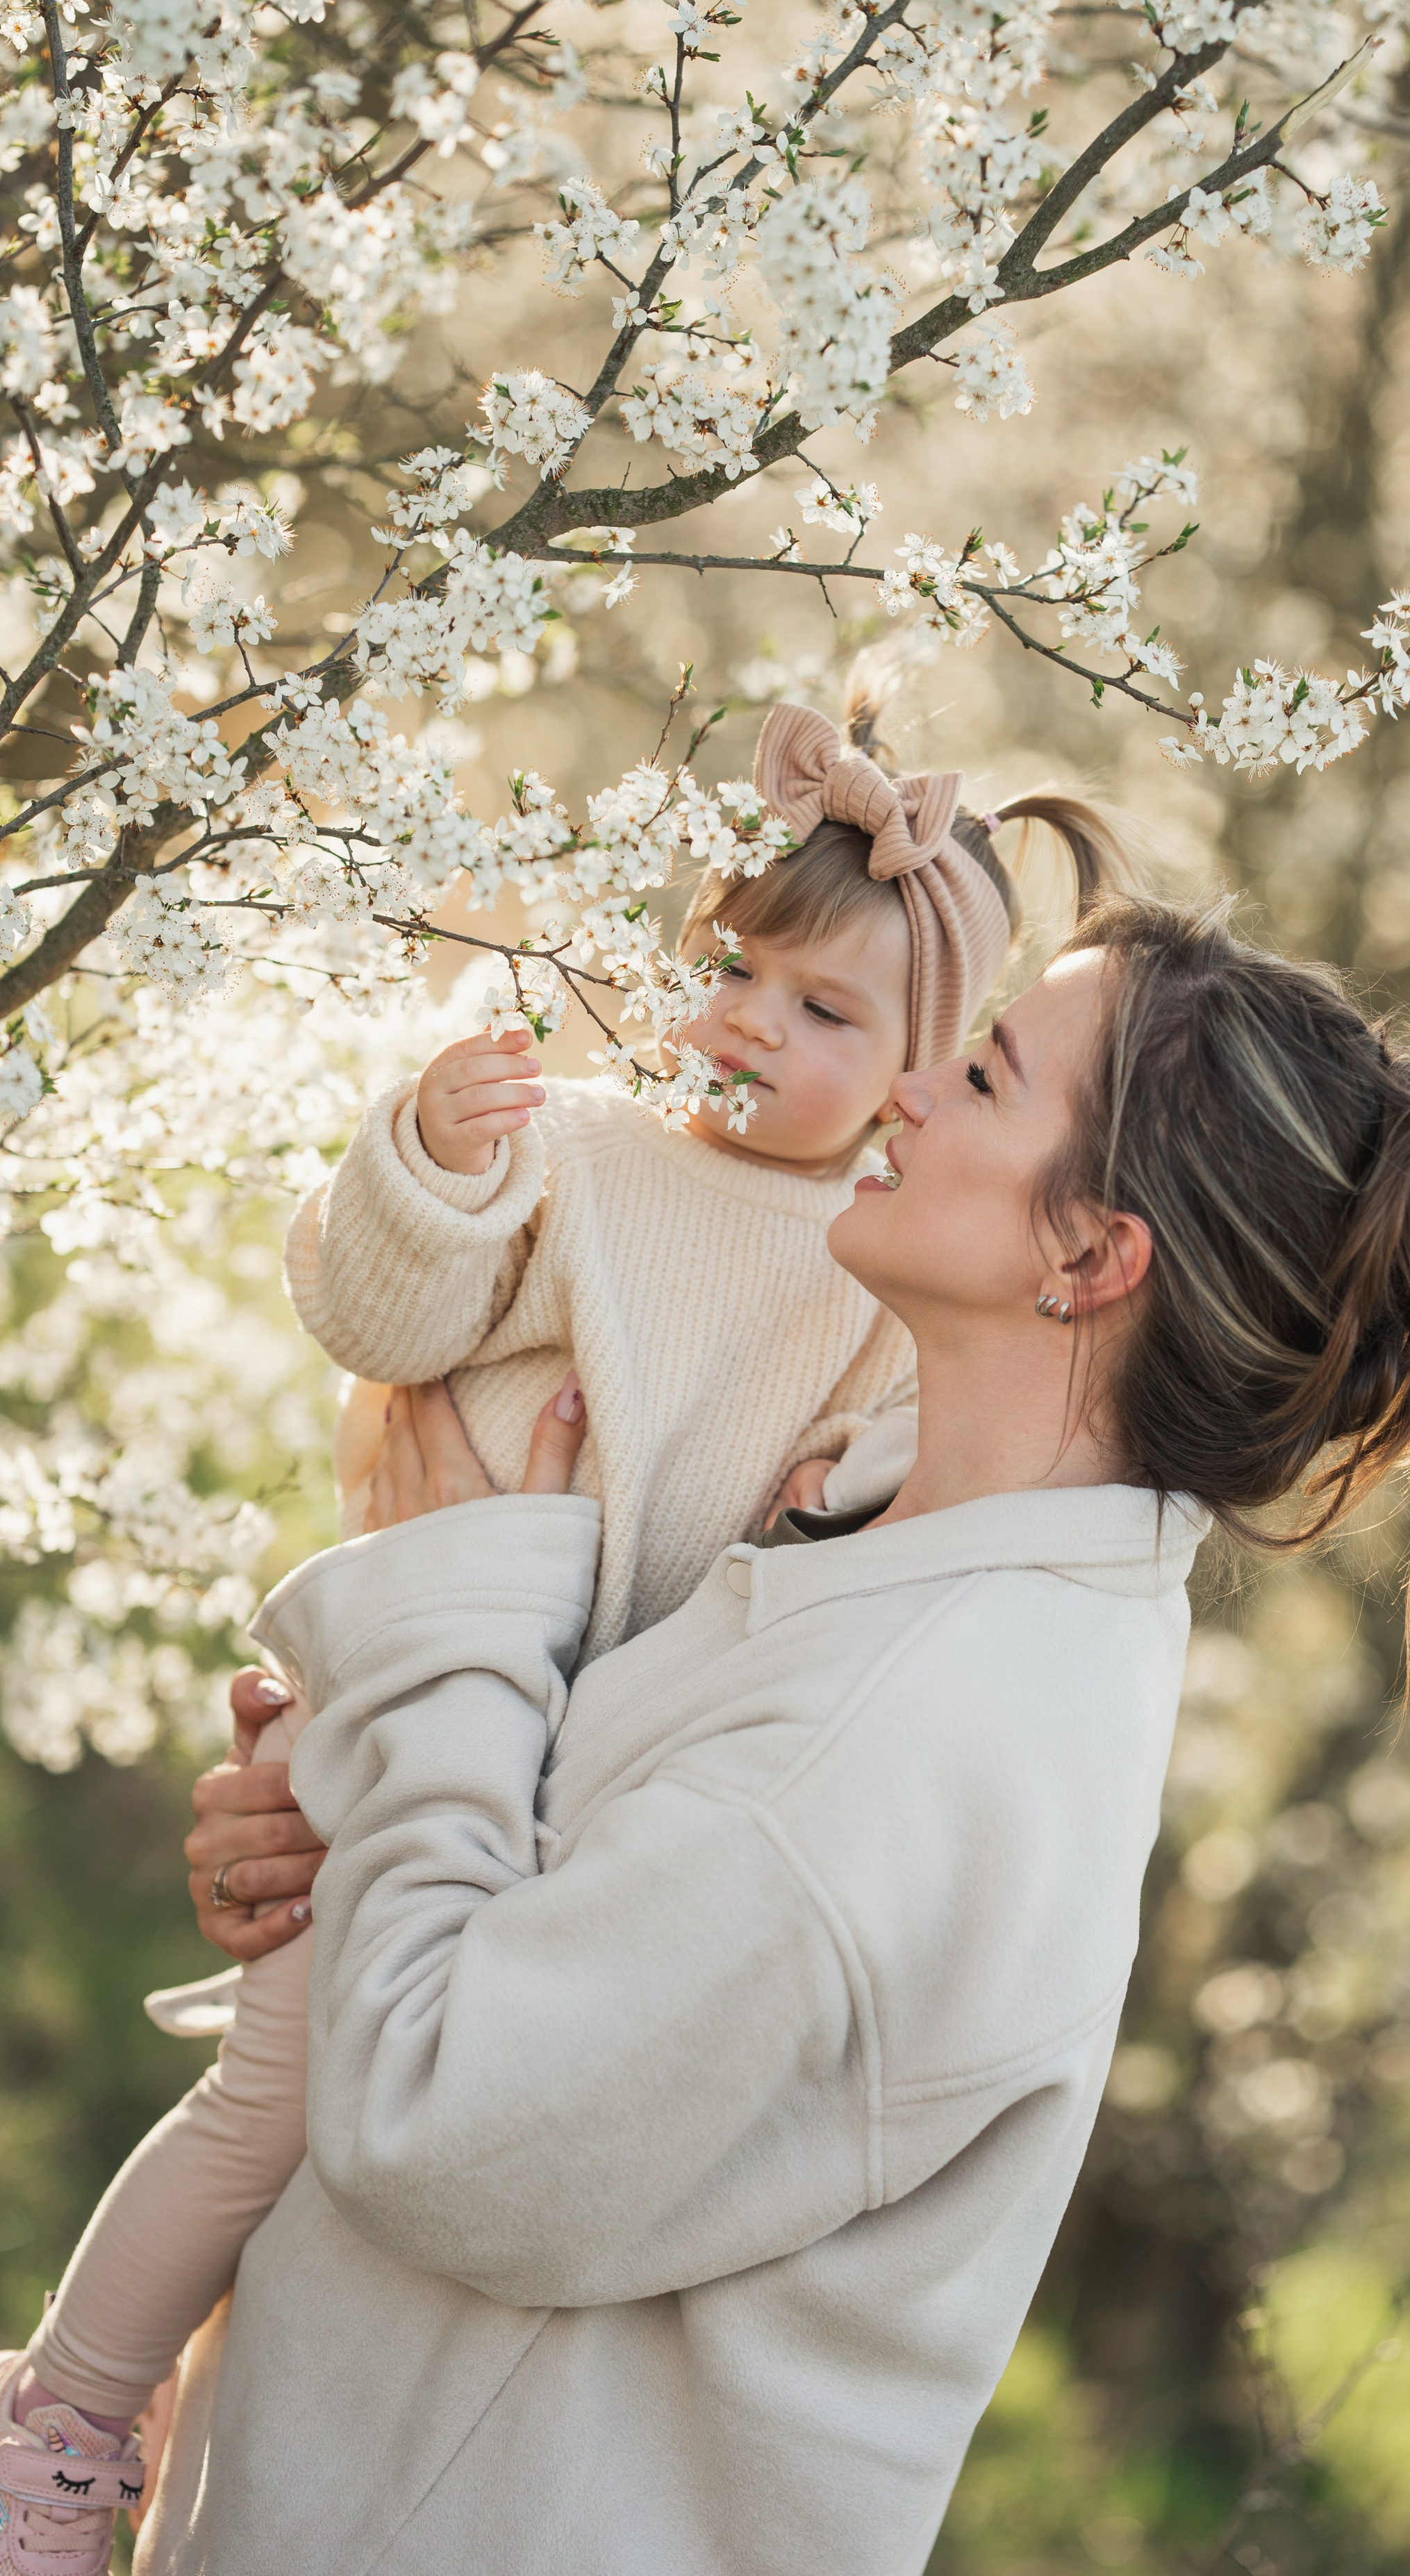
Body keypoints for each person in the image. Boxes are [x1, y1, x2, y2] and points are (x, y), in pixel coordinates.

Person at [106, 889, 1410, 2576]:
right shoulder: (887, 1538)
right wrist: (341, 1818)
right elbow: (554, 1910)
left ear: (1087, 1257)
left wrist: (449, 1612)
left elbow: (433, 2121)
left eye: (983, 1075)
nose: (910, 1085)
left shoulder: (894, 1755)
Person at [0, 689, 1132, 2576]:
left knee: (343, 2115)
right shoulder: (586, 1156)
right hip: (418, 1706)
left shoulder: (874, 1287)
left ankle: (195, 2409)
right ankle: (65, 2419)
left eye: (828, 1013)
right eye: (733, 968)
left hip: (563, 1762)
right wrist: (431, 1172)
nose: (751, 1024)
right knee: (269, 2100)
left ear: (916, 1074)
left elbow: (831, 1516)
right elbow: (379, 1320)